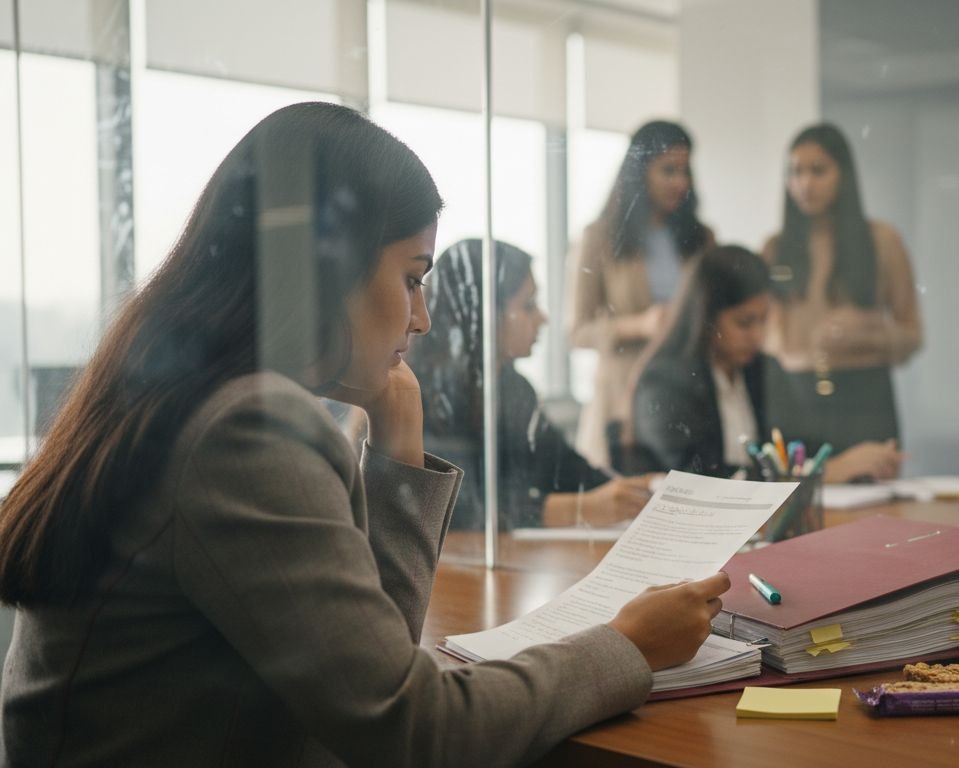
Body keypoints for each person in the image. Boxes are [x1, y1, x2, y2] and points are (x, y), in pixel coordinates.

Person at [0, 102, 728, 767]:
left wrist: (398, 439)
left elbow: (371, 665)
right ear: (329, 270)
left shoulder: (183, 394)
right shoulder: (242, 432)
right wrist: (626, 646)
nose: (424, 318)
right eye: (412, 279)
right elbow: (414, 731)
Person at [410, 238, 655, 530]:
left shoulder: (513, 388)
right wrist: (583, 508)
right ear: (483, 316)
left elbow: (564, 465)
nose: (543, 318)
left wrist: (639, 490)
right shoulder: (426, 394)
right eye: (528, 305)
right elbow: (461, 506)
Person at [631, 245, 904, 482]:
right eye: (745, 322)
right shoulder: (665, 383)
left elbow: (795, 446)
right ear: (706, 319)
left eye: (764, 319)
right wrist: (823, 472)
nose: (759, 336)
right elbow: (699, 480)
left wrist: (857, 464)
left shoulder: (759, 368)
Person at [762, 123, 923, 452]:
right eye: (795, 172)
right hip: (794, 394)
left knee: (876, 497)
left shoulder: (881, 240)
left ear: (843, 174)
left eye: (818, 171)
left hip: (864, 395)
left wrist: (868, 331)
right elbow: (759, 335)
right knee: (797, 497)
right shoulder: (774, 248)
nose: (805, 184)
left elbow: (912, 334)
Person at [567, 120, 715, 467]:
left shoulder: (701, 239)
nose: (681, 182)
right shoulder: (598, 238)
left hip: (688, 393)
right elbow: (577, 332)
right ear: (638, 171)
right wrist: (640, 325)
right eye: (668, 170)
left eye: (685, 170)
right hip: (624, 401)